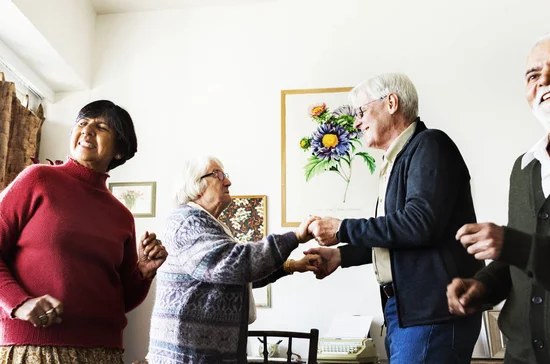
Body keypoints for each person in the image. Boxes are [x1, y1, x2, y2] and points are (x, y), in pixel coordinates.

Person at [305, 73, 484, 364]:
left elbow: (419, 224)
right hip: (407, 310)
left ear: (391, 103)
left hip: (432, 311)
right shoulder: (399, 159)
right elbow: (399, 234)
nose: (358, 122)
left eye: (361, 111)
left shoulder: (430, 145)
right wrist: (341, 256)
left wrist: (342, 229)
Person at [447, 32, 550, 364]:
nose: (545, 78)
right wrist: (485, 285)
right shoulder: (525, 167)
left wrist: (515, 245)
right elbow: (525, 254)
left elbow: (525, 248)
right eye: (533, 74)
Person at [0, 100, 167, 363]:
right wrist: (19, 303)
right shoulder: (37, 179)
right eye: (82, 123)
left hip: (105, 352)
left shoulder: (122, 215)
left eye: (101, 126)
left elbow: (122, 300)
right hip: (36, 348)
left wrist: (144, 273)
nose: (87, 130)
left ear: (119, 151)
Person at [146, 156, 320, 364]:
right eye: (218, 175)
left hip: (200, 353)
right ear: (196, 185)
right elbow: (232, 265)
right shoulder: (189, 222)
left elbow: (233, 278)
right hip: (189, 356)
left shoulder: (205, 223)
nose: (227, 181)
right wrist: (295, 237)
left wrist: (292, 266)